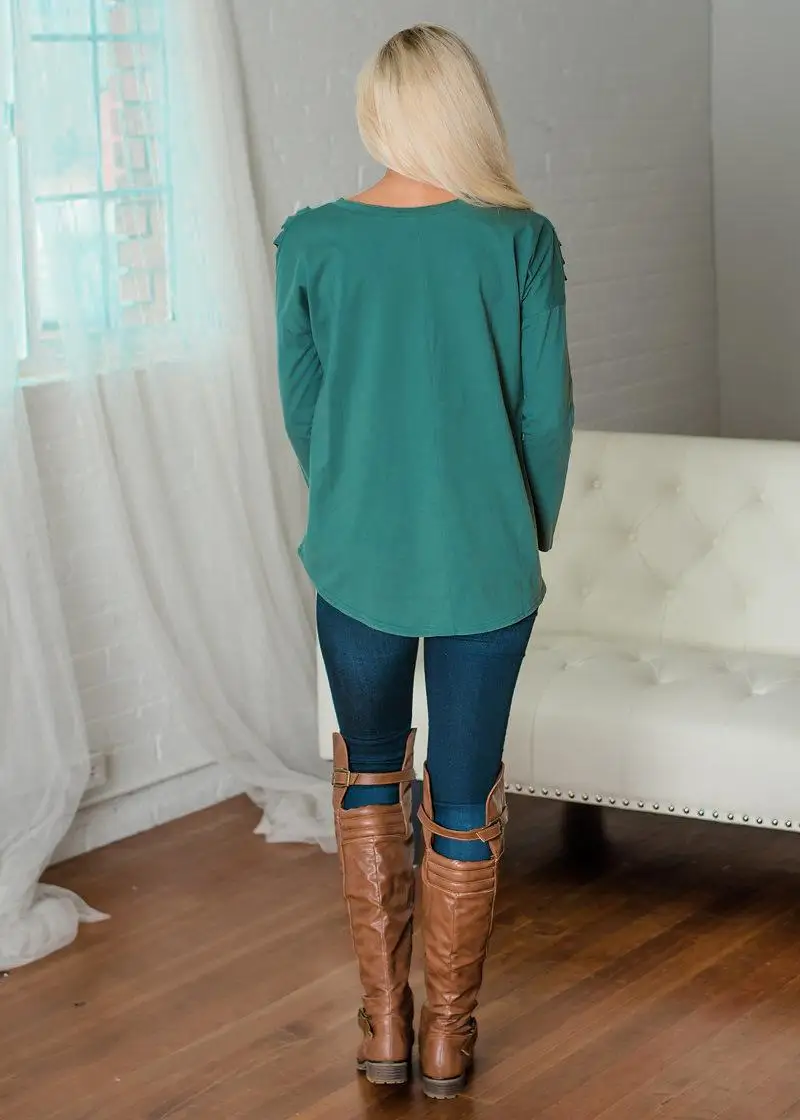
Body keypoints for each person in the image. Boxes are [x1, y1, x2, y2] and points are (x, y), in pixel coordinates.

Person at [273, 23, 573, 1101]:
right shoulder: (519, 238)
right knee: (462, 796)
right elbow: (545, 417)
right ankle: (449, 1036)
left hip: (357, 555)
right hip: (484, 563)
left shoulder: (310, 240)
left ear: (376, 113)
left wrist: (354, 496)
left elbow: (304, 408)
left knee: (366, 775)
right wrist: (523, 527)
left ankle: (386, 1026)